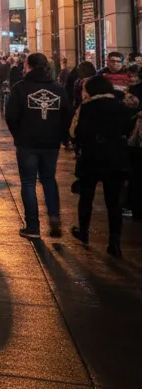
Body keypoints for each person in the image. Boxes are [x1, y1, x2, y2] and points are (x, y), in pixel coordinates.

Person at [5, 52, 72, 239]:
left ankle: (33, 226)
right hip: (51, 143)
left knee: (28, 182)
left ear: (28, 66)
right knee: (49, 179)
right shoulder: (57, 89)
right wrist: (60, 135)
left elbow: (11, 116)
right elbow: (67, 114)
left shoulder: (20, 88)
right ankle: (54, 215)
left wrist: (18, 135)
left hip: (27, 142)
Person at [70, 74, 133, 257]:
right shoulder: (121, 106)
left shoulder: (86, 108)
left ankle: (84, 232)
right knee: (114, 202)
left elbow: (75, 132)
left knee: (86, 197)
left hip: (91, 158)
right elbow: (128, 130)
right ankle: (114, 243)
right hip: (115, 159)